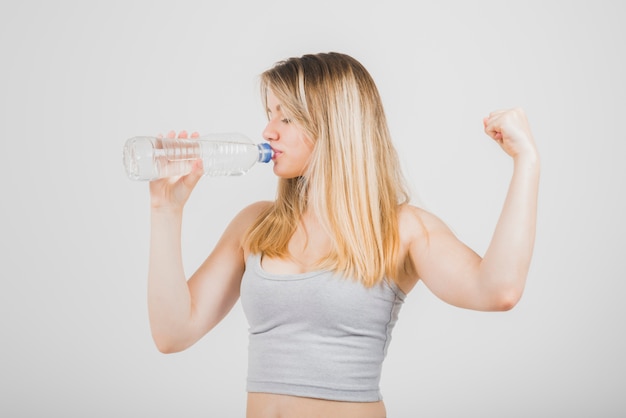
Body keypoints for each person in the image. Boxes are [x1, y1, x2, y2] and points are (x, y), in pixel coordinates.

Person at [146, 52, 540, 418]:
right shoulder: (256, 225)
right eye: (269, 114)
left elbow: (498, 290)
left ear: (334, 124)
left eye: (285, 117)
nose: (268, 130)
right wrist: (166, 209)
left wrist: (526, 161)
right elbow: (172, 333)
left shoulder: (401, 229)